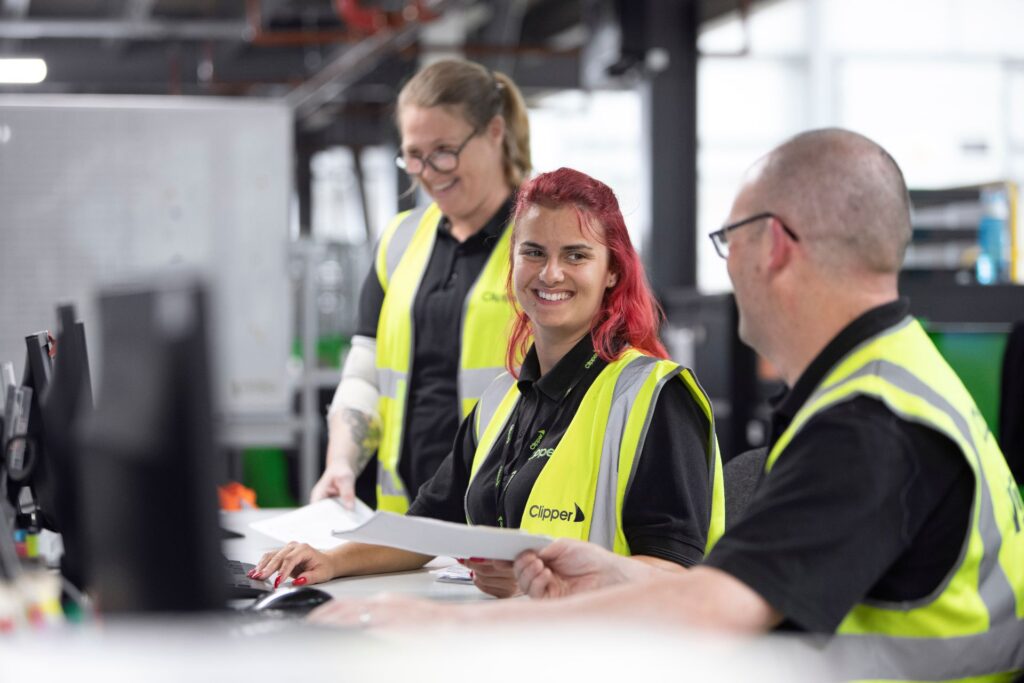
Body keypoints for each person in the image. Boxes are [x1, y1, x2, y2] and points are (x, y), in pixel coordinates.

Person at [309, 130, 1024, 681]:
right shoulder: (892, 380)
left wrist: (453, 632)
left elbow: (714, 610)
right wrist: (611, 575)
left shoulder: (870, 422)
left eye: (729, 242)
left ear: (771, 245)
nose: (729, 268)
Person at [252, 168, 725, 597]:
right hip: (511, 643)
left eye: (576, 256)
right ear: (514, 264)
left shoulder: (656, 397)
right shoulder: (503, 398)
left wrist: (547, 582)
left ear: (612, 272)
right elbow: (428, 527)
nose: (551, 273)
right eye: (533, 252)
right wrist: (331, 561)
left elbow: (678, 574)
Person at [310, 58, 531, 513]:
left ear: (494, 131)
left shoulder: (542, 241)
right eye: (414, 155)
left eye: (445, 150)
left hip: (502, 518)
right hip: (404, 519)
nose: (430, 171)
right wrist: (341, 463)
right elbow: (365, 370)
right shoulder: (400, 241)